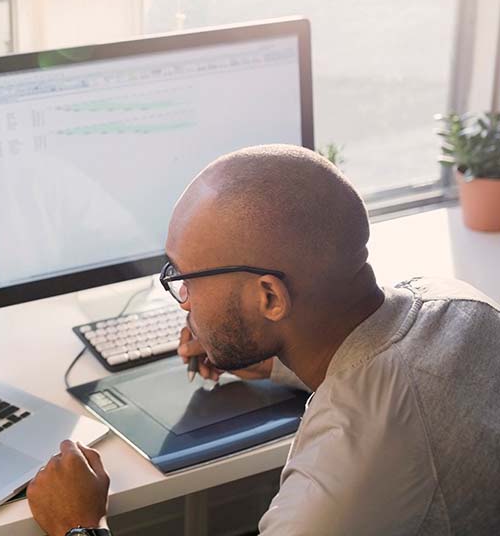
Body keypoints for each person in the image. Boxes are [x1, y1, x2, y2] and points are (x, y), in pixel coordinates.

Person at [25, 144, 500, 535]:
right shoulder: (463, 305)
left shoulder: (331, 493)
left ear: (270, 297)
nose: (184, 300)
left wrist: (79, 526)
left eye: (186, 278)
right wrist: (273, 362)